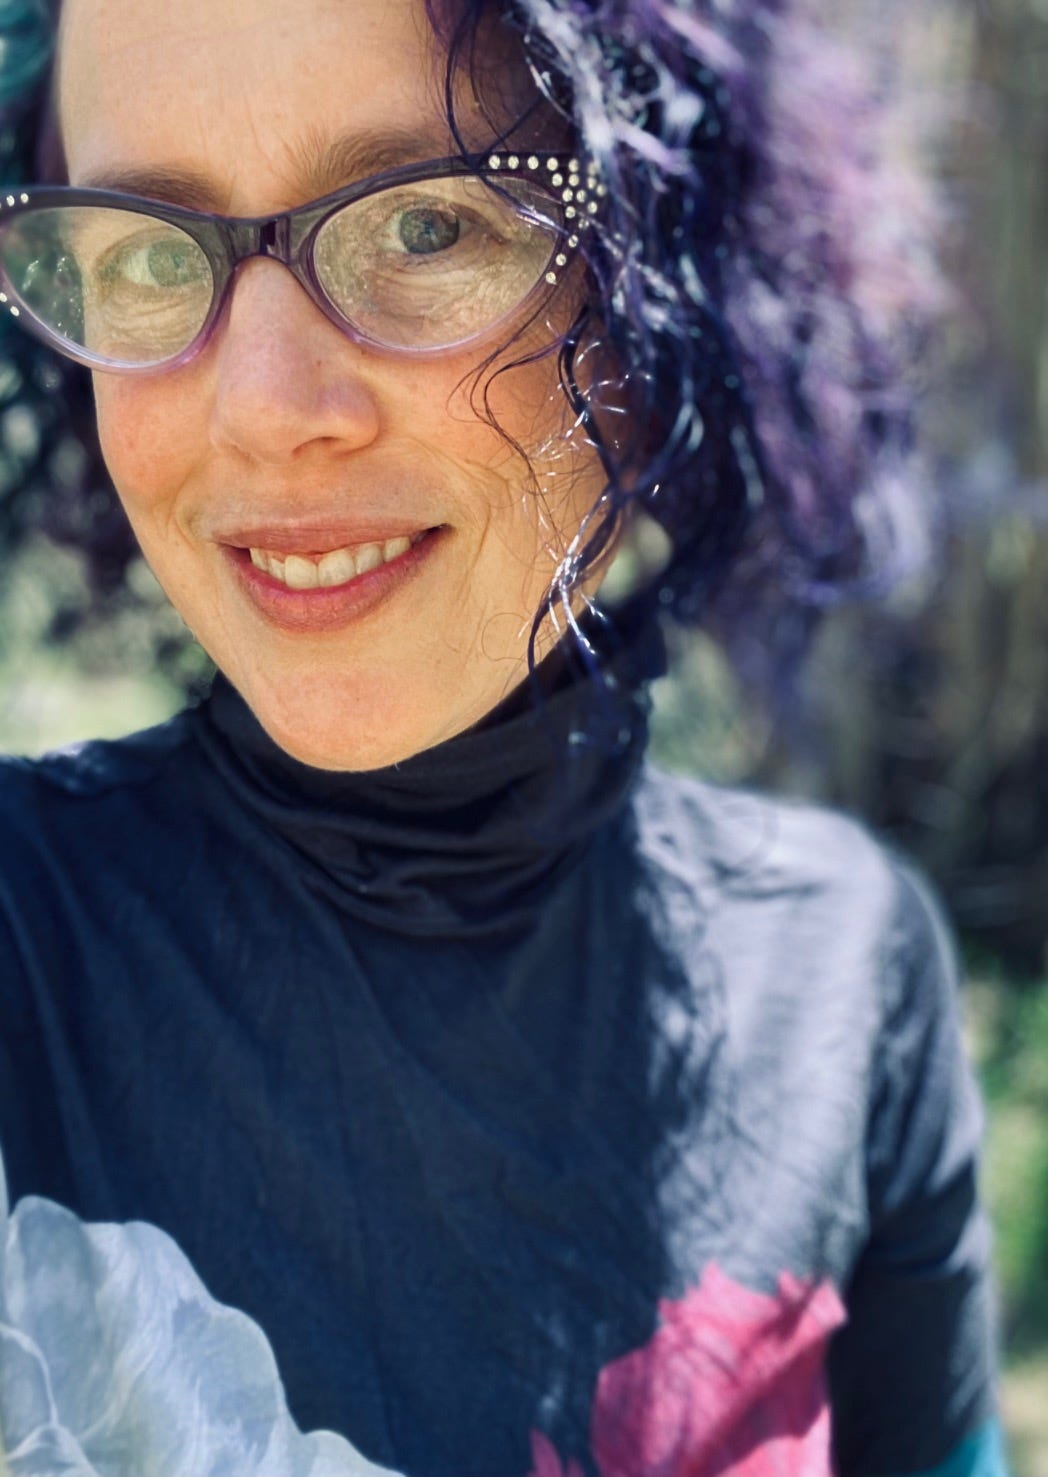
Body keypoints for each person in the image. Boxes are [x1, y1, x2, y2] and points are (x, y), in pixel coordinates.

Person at [0, 0, 1010, 1473]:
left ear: (665, 271)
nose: (264, 411)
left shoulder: (848, 979)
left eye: (425, 228)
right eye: (148, 255)